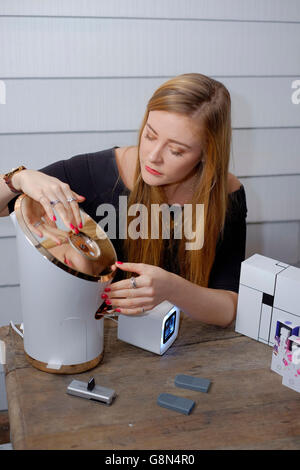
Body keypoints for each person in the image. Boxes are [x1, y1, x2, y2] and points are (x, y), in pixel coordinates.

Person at [0, 73, 247, 327]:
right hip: (98, 341)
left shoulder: (226, 194)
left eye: (176, 151)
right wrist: (17, 179)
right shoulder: (95, 173)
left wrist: (172, 288)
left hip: (187, 348)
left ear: (207, 152)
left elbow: (228, 308)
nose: (152, 157)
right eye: (150, 135)